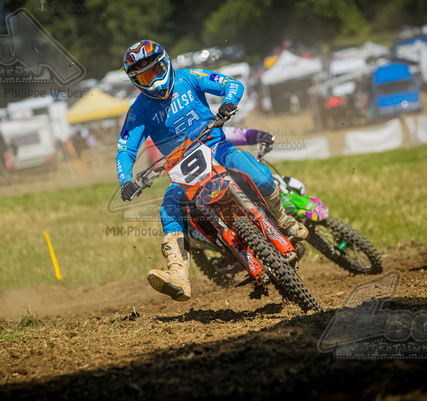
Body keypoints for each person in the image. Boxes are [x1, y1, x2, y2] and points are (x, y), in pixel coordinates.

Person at [116, 40, 308, 302]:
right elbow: (125, 149)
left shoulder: (189, 77)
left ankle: (283, 219)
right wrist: (125, 180)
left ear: (166, 63)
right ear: (135, 81)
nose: (153, 80)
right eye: (144, 76)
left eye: (155, 70)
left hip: (219, 149)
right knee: (168, 209)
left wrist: (228, 102)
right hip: (182, 169)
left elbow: (232, 84)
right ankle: (179, 275)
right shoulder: (138, 111)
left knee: (261, 176)